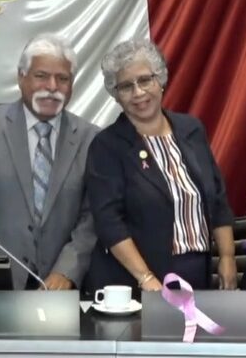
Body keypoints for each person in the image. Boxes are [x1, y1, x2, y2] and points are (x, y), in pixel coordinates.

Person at [0, 34, 98, 290]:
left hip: (61, 288)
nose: (52, 86)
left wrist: (67, 271)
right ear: (21, 77)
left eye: (62, 79)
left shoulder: (91, 138)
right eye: (41, 76)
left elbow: (93, 216)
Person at [84, 39, 237, 294]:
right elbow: (109, 222)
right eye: (126, 86)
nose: (138, 93)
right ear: (115, 95)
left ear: (160, 80)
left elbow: (218, 199)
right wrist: (145, 278)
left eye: (145, 80)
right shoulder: (106, 146)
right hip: (137, 283)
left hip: (198, 273)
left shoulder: (192, 129)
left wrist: (228, 258)